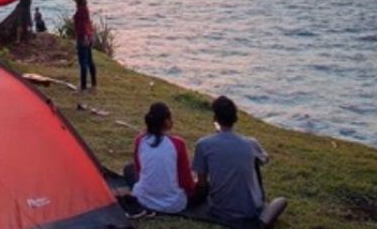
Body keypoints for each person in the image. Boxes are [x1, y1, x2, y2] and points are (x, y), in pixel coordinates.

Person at [190, 96, 287, 228]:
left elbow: (202, 183)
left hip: (219, 210)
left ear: (215, 118)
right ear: (235, 119)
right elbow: (265, 159)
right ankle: (262, 222)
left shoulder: (203, 144)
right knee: (280, 201)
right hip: (251, 210)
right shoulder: (251, 143)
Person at [123, 102, 195, 216]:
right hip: (173, 204)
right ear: (166, 122)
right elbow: (185, 179)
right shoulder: (178, 144)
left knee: (128, 168)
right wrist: (192, 190)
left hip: (143, 200)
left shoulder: (140, 140)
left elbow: (139, 171)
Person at [71, 0, 96, 91]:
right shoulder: (83, 8)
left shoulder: (82, 9)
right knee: (89, 61)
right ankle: (93, 83)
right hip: (87, 36)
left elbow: (84, 24)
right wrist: (90, 35)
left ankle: (83, 86)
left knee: (83, 62)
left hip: (83, 37)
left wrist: (86, 36)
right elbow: (88, 23)